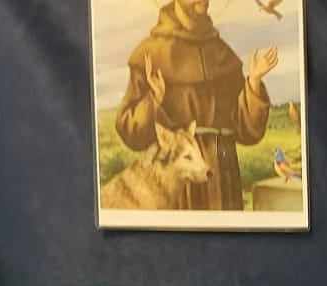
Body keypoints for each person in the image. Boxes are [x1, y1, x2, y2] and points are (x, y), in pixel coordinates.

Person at [115, 0, 276, 214]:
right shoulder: (151, 52)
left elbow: (247, 131)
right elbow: (131, 133)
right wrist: (153, 100)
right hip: (176, 185)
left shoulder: (222, 52)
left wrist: (254, 83)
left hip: (222, 177)